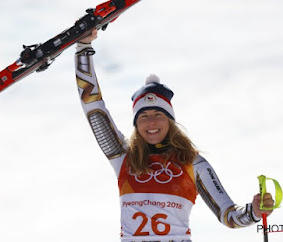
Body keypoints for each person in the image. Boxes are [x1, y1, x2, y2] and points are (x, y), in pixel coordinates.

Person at [74, 30, 274, 242]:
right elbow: (93, 108)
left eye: (158, 114)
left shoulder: (193, 163)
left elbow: (228, 216)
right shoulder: (123, 157)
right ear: (136, 124)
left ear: (170, 121)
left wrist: (253, 211)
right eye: (143, 116)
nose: (151, 122)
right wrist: (83, 50)